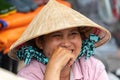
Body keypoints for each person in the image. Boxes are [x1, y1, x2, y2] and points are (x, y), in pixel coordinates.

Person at [8, 0, 111, 80]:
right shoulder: (29, 75)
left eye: (73, 34)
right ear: (40, 42)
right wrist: (54, 67)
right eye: (57, 36)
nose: (66, 43)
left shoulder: (92, 67)